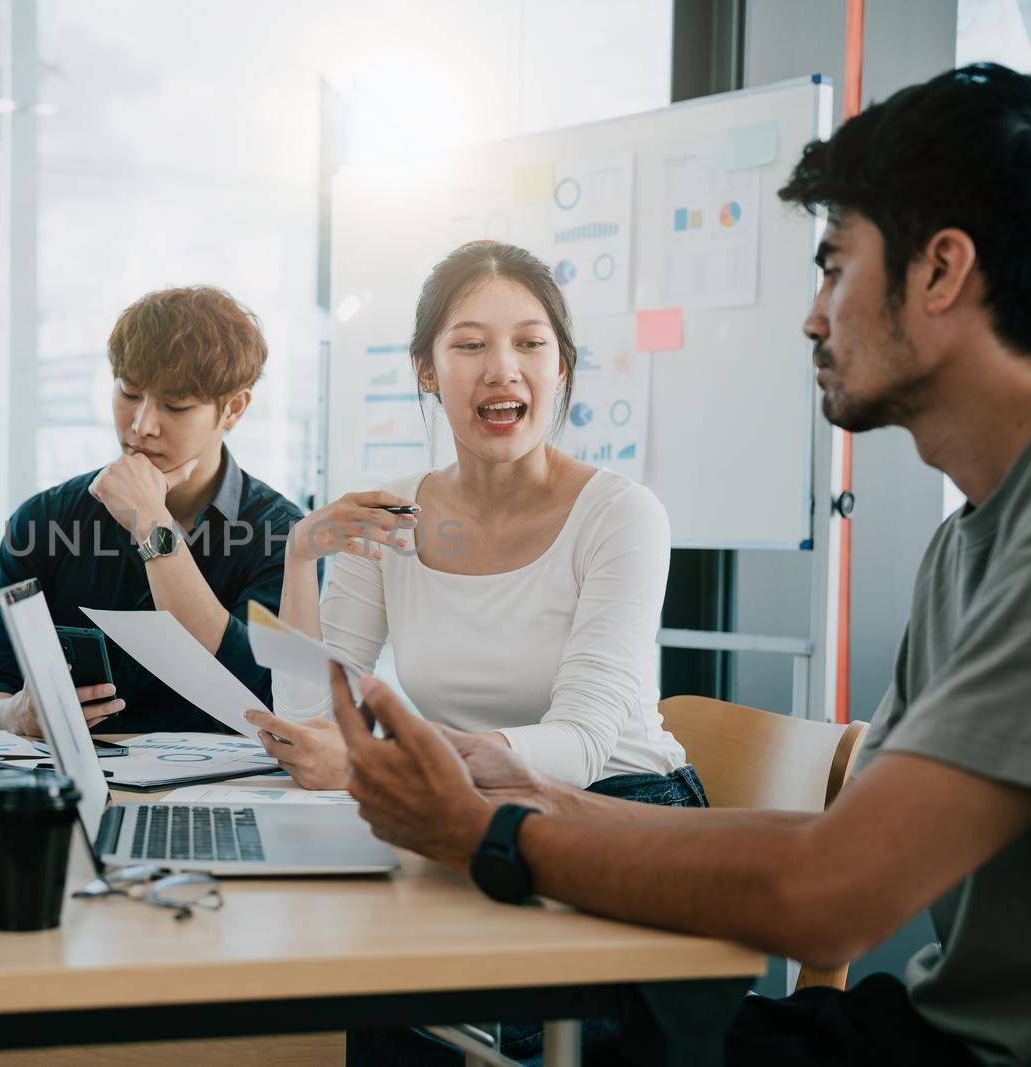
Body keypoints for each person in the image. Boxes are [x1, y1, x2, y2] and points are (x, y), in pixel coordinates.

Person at [335, 64, 1031, 1067]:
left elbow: (829, 899)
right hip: (920, 1027)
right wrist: (519, 792)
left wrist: (488, 831)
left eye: (834, 267)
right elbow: (831, 858)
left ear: (940, 271)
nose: (811, 314)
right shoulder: (963, 543)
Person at [246, 242, 698, 814]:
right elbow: (310, 721)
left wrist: (387, 762)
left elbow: (582, 746)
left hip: (623, 803)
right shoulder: (390, 516)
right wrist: (300, 557)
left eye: (531, 344)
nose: (502, 369)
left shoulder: (621, 514)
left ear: (559, 367)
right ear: (426, 370)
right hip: (469, 797)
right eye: (469, 345)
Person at [0, 286, 305, 736]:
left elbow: (264, 695)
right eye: (128, 393)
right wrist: (16, 715)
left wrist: (151, 523)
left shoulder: (282, 535)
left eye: (176, 405)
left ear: (233, 409)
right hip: (77, 789)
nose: (141, 425)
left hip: (224, 795)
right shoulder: (43, 522)